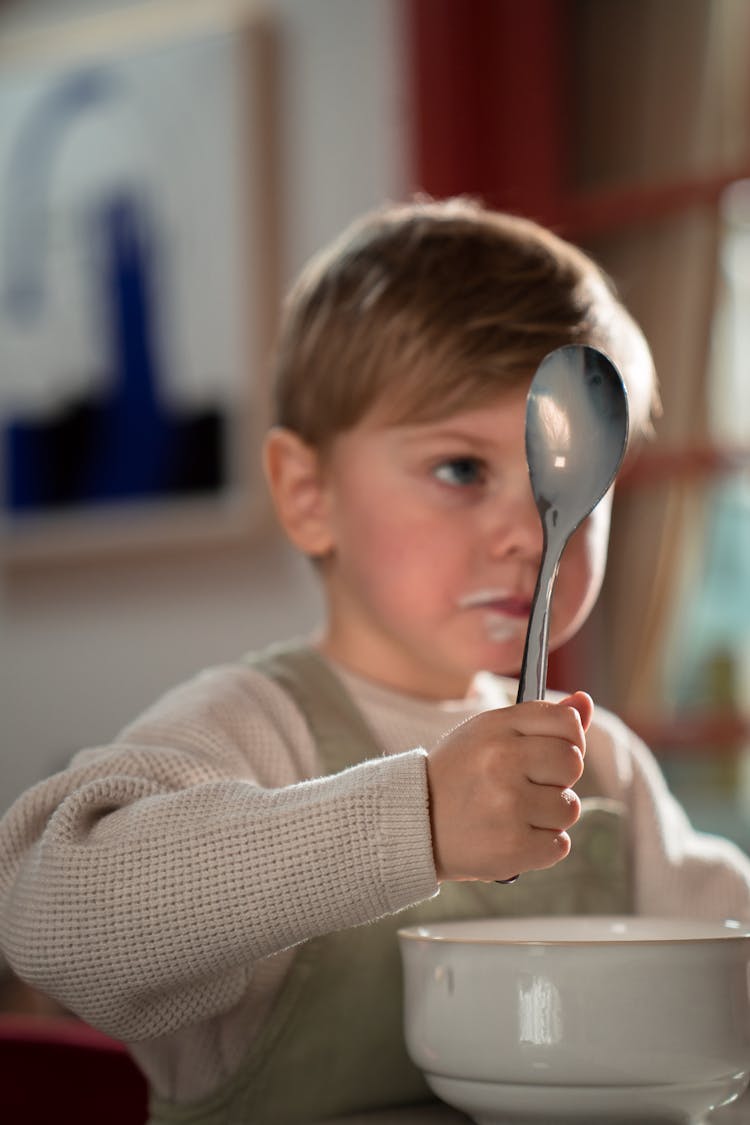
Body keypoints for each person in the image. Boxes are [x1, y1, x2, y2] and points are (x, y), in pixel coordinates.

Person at [1, 197, 749, 1125]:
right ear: (309, 494)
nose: (527, 532)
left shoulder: (604, 766)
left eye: (569, 487)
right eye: (462, 470)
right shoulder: (250, 726)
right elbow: (54, 920)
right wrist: (417, 817)